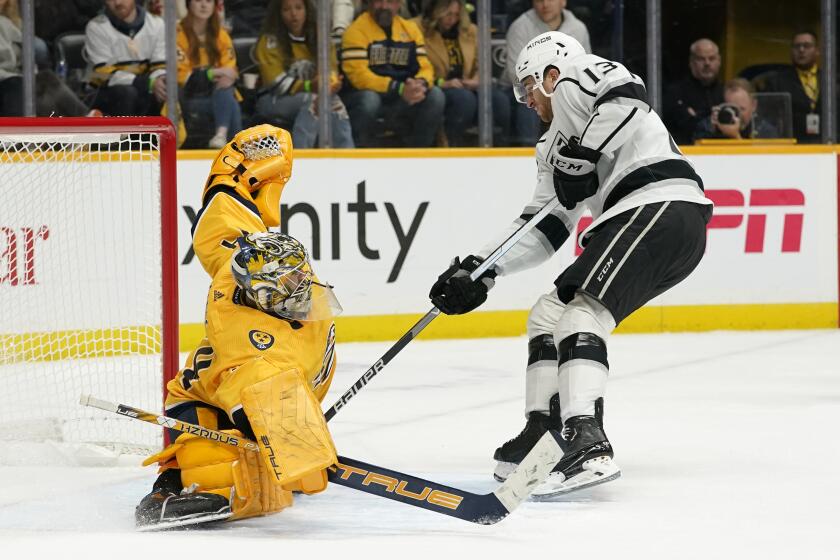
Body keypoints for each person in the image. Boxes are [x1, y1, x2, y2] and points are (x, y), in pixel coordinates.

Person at [428, 31, 712, 498]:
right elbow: (543, 229)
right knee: (548, 314)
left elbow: (628, 98)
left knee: (582, 314)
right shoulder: (552, 146)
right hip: (647, 220)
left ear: (549, 74)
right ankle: (545, 433)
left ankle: (586, 442)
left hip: (658, 204)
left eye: (527, 87)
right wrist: (480, 270)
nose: (527, 101)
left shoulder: (574, 79)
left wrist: (586, 153)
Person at [135, 124, 341, 529]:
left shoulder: (251, 268)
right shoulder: (248, 346)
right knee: (233, 470)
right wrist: (295, 449)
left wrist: (237, 179)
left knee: (275, 453)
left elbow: (220, 230)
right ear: (263, 297)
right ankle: (184, 484)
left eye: (301, 278)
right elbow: (252, 384)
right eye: (289, 287)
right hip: (206, 401)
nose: (302, 289)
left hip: (264, 387)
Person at [340, 0, 445, 147]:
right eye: (379, 1)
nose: (384, 6)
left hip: (402, 97)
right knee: (369, 100)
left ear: (399, 3)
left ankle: (419, 155)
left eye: (390, 1)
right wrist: (399, 88)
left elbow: (426, 67)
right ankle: (360, 151)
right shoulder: (356, 30)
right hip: (365, 96)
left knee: (435, 95)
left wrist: (420, 84)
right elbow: (359, 76)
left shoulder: (410, 29)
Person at [254, 0, 354, 148]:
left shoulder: (321, 38)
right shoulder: (270, 41)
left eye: (298, 8)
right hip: (272, 99)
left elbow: (331, 70)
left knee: (334, 103)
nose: (294, 14)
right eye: (287, 9)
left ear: (307, 10)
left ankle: (347, 156)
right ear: (278, 14)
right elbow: (276, 83)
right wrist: (309, 86)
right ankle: (301, 157)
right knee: (314, 102)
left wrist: (331, 83)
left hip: (312, 95)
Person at [413, 0, 510, 146]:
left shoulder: (470, 30)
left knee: (499, 100)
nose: (452, 19)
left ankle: (502, 149)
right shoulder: (416, 28)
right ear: (436, 11)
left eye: (456, 14)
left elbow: (481, 63)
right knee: (464, 100)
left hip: (467, 85)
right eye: (447, 14)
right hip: (438, 85)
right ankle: (451, 145)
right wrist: (443, 83)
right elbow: (416, 68)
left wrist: (477, 79)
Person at [502, 0, 591, 146]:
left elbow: (585, 66)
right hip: (527, 89)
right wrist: (544, 90)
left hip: (566, 89)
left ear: (563, 2)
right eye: (539, 0)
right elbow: (515, 73)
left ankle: (577, 149)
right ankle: (531, 152)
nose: (545, 4)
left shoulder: (578, 28)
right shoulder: (520, 27)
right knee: (530, 106)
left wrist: (561, 90)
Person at [0, 2, 92, 117]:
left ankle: (84, 117)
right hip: (7, 79)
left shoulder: (10, 23)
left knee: (45, 78)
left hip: (15, 78)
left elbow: (26, 58)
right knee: (19, 85)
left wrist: (28, 74)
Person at [177, 0, 243, 148]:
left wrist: (223, 75)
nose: (204, 5)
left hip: (216, 96)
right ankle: (237, 149)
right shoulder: (178, 33)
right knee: (231, 105)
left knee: (226, 92)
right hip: (189, 97)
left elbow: (230, 71)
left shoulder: (221, 35)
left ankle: (221, 136)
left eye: (208, 1)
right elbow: (182, 77)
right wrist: (213, 73)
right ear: (188, 4)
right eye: (198, 0)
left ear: (214, 5)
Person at [85, 0, 166, 117]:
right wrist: (148, 83)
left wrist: (160, 81)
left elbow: (160, 65)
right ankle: (123, 135)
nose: (117, 3)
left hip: (144, 87)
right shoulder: (96, 27)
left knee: (169, 90)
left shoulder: (157, 24)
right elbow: (104, 73)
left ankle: (164, 134)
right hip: (102, 92)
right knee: (127, 93)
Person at [762, 31, 821, 144]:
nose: (801, 50)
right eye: (796, 46)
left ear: (817, 51)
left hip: (828, 145)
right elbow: (769, 118)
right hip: (791, 146)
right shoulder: (776, 82)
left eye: (807, 46)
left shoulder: (831, 80)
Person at [662, 38, 724, 146]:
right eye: (701, 59)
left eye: (712, 58)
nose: (707, 63)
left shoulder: (726, 92)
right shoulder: (675, 93)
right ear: (691, 62)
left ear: (719, 61)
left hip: (725, 155)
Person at [694, 78, 779, 141]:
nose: (737, 116)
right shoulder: (713, 123)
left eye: (742, 109)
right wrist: (711, 130)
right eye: (732, 109)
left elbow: (760, 162)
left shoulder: (765, 130)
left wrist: (735, 136)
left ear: (753, 105)